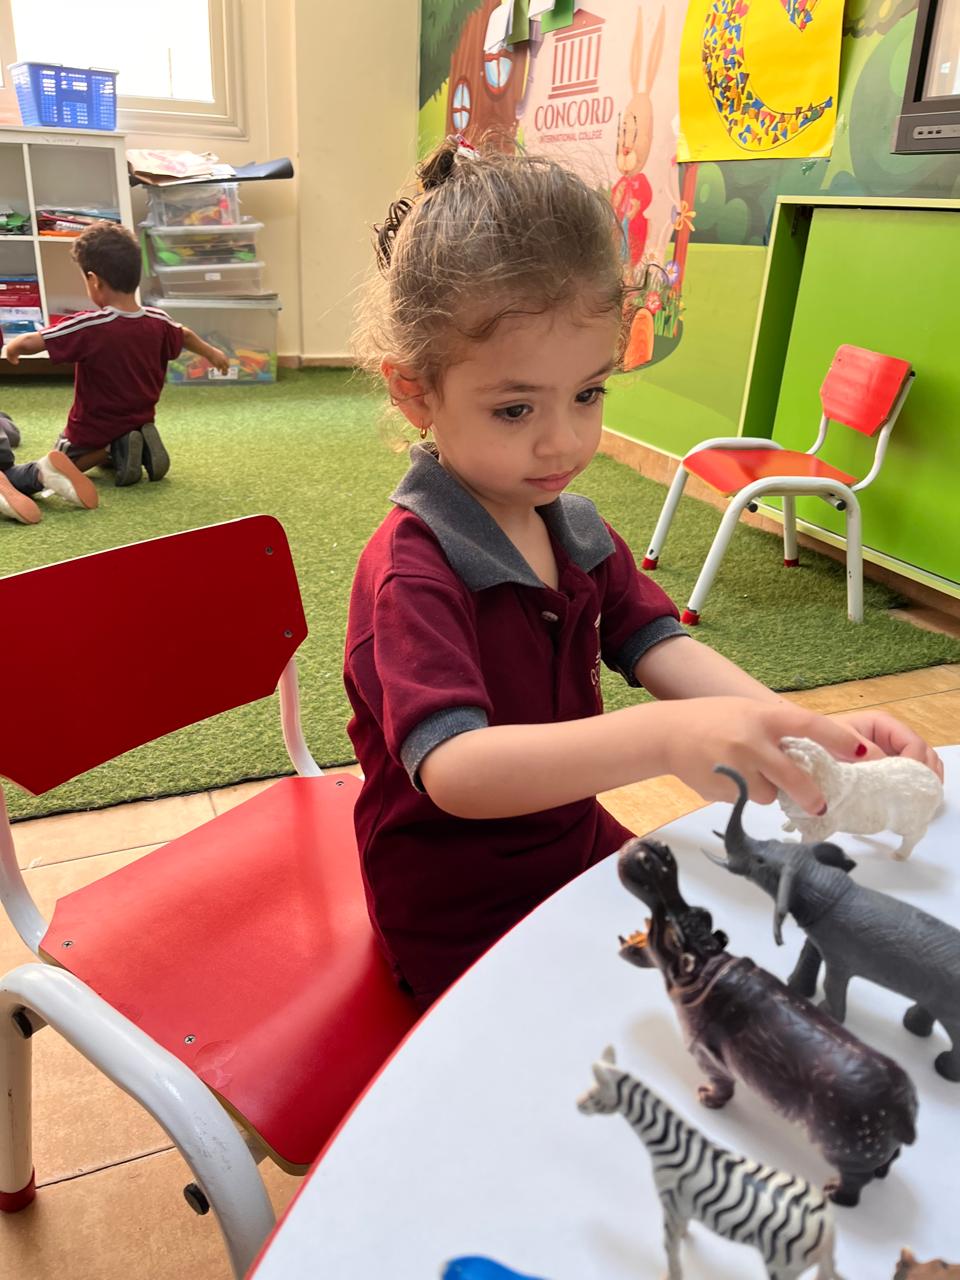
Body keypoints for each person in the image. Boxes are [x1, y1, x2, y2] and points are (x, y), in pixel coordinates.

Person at [345, 137, 942, 1010]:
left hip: (572, 848)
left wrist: (804, 730)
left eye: (589, 394)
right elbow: (457, 769)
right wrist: (662, 739)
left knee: (731, 977)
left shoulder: (575, 530)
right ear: (414, 393)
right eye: (515, 409)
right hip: (457, 902)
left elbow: (659, 645)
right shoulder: (413, 571)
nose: (563, 441)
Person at [0, 221, 229, 524]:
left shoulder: (90, 325)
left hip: (91, 427)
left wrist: (14, 347)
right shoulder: (159, 321)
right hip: (140, 415)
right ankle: (133, 441)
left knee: (63, 458)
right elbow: (184, 334)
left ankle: (111, 447)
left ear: (94, 281)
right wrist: (213, 353)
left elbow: (39, 340)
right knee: (126, 432)